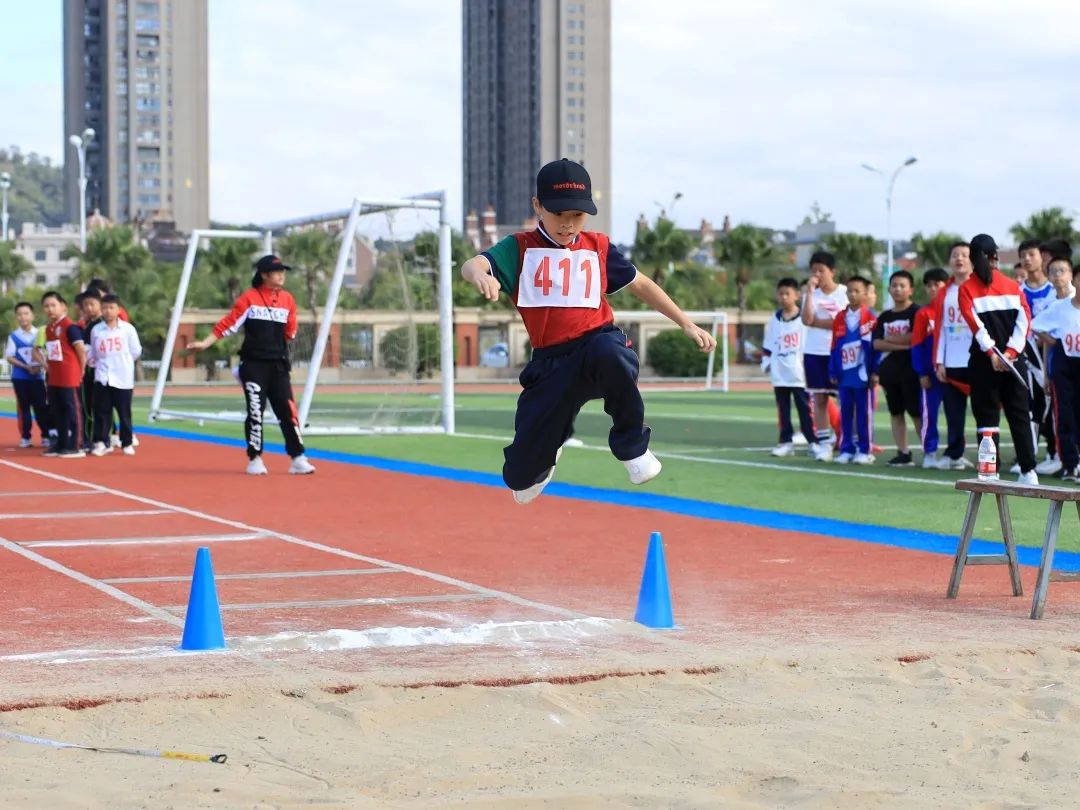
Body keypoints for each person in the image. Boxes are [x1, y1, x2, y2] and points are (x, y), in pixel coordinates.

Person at [460, 158, 715, 503]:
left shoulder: (597, 247)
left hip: (597, 344)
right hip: (550, 363)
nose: (567, 225)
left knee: (612, 354)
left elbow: (640, 284)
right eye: (558, 215)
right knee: (518, 479)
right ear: (537, 206)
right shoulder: (519, 248)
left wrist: (685, 322)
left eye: (577, 216)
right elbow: (474, 263)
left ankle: (632, 446)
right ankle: (549, 447)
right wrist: (479, 274)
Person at [187, 254, 316, 476]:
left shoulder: (288, 300)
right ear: (264, 275)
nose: (281, 275)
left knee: (288, 411)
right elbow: (227, 325)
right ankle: (255, 458)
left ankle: (298, 457)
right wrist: (205, 343)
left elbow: (290, 332)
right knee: (255, 410)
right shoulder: (249, 299)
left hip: (278, 365)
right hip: (254, 365)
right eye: (276, 271)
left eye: (282, 271)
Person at [959, 234, 1037, 484]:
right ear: (995, 257)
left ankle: (989, 472)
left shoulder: (965, 290)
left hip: (986, 361)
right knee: (1019, 414)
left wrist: (995, 354)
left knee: (986, 415)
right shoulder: (1013, 286)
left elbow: (976, 326)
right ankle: (1028, 471)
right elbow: (1025, 321)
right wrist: (1011, 353)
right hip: (1011, 360)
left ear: (972, 259)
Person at [1032, 265, 1080, 480]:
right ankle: (1069, 465)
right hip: (1064, 366)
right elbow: (1035, 325)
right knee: (1065, 415)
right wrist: (1055, 341)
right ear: (1075, 281)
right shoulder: (1060, 307)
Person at [801, 251, 848, 461]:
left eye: (822, 270)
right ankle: (823, 443)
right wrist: (810, 292)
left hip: (839, 351)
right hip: (814, 351)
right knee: (819, 398)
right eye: (814, 271)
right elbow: (806, 319)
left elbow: (845, 322)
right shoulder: (810, 294)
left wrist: (820, 323)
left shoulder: (844, 293)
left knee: (846, 398)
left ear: (833, 272)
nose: (818, 275)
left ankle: (849, 442)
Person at [871, 270, 921, 466]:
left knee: (917, 413)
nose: (897, 289)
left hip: (912, 371)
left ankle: (930, 452)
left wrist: (891, 340)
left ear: (910, 290)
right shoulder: (884, 317)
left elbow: (915, 337)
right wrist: (902, 344)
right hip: (889, 371)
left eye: (902, 285)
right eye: (894, 286)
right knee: (896, 413)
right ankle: (903, 452)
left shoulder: (917, 312)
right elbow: (876, 344)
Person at [932, 242, 975, 469]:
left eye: (965, 255)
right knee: (953, 411)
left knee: (984, 411)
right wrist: (939, 360)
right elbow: (941, 329)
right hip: (952, 360)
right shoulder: (945, 293)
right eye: (955, 255)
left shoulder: (981, 287)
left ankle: (990, 456)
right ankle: (954, 453)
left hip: (978, 359)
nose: (959, 259)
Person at [1017, 240, 1058, 475]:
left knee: (1055, 405)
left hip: (1052, 356)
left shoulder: (1055, 292)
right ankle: (1029, 456)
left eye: (1031, 254)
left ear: (1042, 257)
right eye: (1023, 255)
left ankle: (1056, 454)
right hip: (1028, 356)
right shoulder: (1018, 291)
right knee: (1031, 404)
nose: (1027, 259)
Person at [762, 278, 815, 457]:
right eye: (781, 294)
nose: (784, 297)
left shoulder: (803, 320)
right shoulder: (774, 320)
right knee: (783, 410)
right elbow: (768, 344)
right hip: (779, 373)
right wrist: (767, 363)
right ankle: (785, 441)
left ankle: (812, 441)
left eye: (788, 294)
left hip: (799, 374)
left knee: (805, 410)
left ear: (796, 296)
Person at [828, 276, 876, 464]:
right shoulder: (840, 317)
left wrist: (874, 371)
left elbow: (875, 349)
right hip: (845, 375)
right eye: (849, 291)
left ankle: (865, 449)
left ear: (865, 293)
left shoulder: (871, 318)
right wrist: (833, 370)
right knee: (846, 411)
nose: (852, 294)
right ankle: (846, 448)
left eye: (857, 291)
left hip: (862, 375)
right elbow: (833, 346)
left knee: (864, 413)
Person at [87, 294, 141, 456]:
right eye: (104, 308)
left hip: (122, 378)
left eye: (111, 308)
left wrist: (123, 362)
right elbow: (94, 352)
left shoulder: (128, 329)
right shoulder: (97, 330)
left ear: (118, 310)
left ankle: (126, 442)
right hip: (102, 377)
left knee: (124, 413)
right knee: (102, 412)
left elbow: (136, 350)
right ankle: (101, 442)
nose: (108, 311)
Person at [38, 291, 87, 458]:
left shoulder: (70, 327)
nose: (50, 309)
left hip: (69, 376)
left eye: (53, 305)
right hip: (54, 376)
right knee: (57, 411)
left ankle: (77, 444)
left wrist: (81, 370)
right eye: (46, 306)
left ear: (63, 306)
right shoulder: (50, 328)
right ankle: (61, 443)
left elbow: (81, 350)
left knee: (72, 410)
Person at [912, 268, 949, 468]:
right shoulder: (923, 314)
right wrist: (921, 372)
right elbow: (916, 345)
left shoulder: (954, 310)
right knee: (929, 413)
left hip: (952, 373)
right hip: (930, 374)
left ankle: (954, 452)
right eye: (929, 285)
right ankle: (930, 452)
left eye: (938, 284)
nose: (933, 288)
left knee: (955, 414)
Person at [5, 301, 50, 448]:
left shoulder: (40, 334)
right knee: (24, 408)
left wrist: (39, 367)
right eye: (19, 314)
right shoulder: (14, 336)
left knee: (41, 407)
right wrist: (25, 366)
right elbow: (10, 356)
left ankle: (45, 435)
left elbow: (45, 353)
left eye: (26, 314)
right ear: (16, 317)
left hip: (37, 378)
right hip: (20, 378)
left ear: (32, 315)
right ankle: (25, 436)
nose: (23, 317)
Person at [76, 290, 104, 451]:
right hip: (87, 370)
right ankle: (89, 439)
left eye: (92, 304)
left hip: (99, 371)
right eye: (85, 305)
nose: (88, 308)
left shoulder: (102, 325)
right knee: (87, 406)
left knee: (100, 407)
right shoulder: (86, 325)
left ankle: (101, 438)